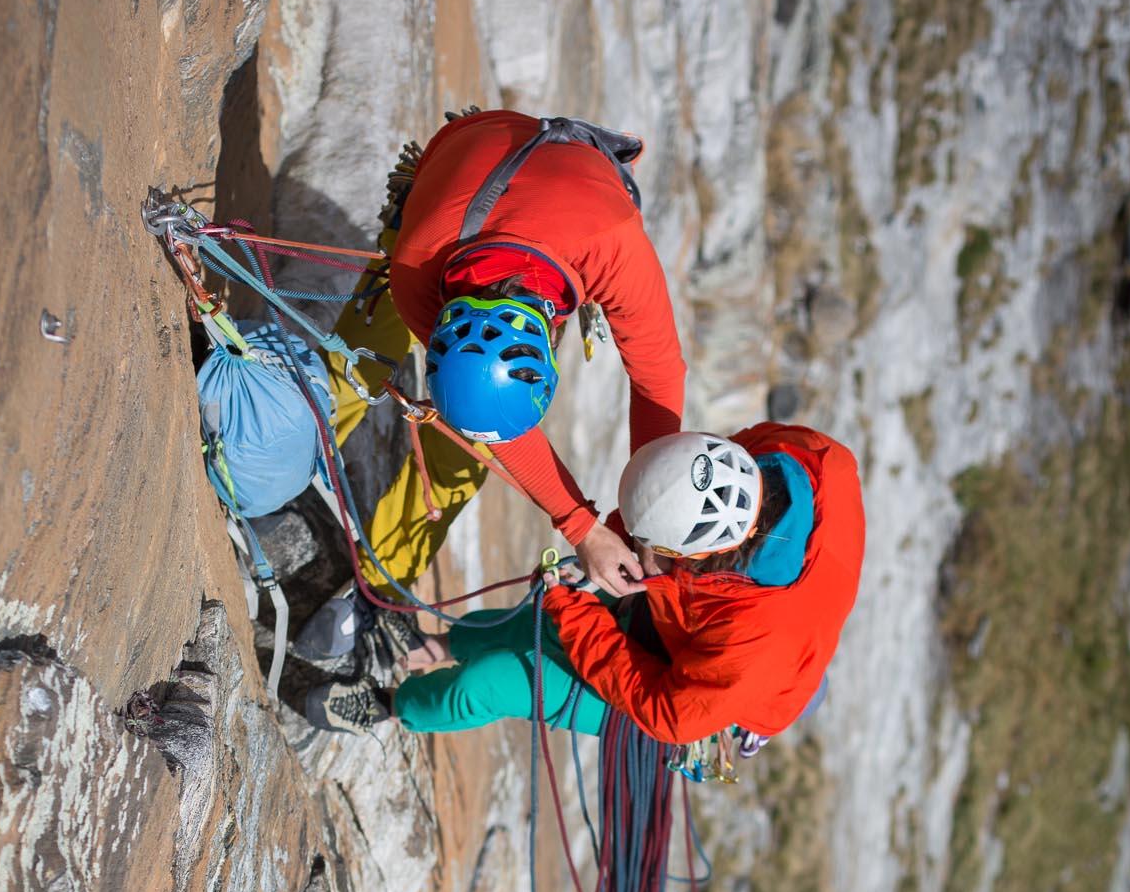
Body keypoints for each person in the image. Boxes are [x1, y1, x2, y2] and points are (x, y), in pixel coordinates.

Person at [299, 108, 688, 730]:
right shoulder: (417, 269)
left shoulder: (617, 249)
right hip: (457, 198)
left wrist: (647, 517)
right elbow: (490, 422)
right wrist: (583, 527)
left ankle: (378, 581)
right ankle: (293, 450)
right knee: (362, 366)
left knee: (462, 450)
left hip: (561, 219)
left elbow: (659, 379)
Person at [391, 420, 865, 748]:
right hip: (705, 622)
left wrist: (574, 608)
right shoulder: (805, 454)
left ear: (694, 556)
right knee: (534, 624)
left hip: (697, 691)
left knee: (488, 684)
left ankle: (389, 705)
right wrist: (606, 541)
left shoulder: (754, 643)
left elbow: (667, 711)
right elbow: (671, 494)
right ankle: (426, 648)